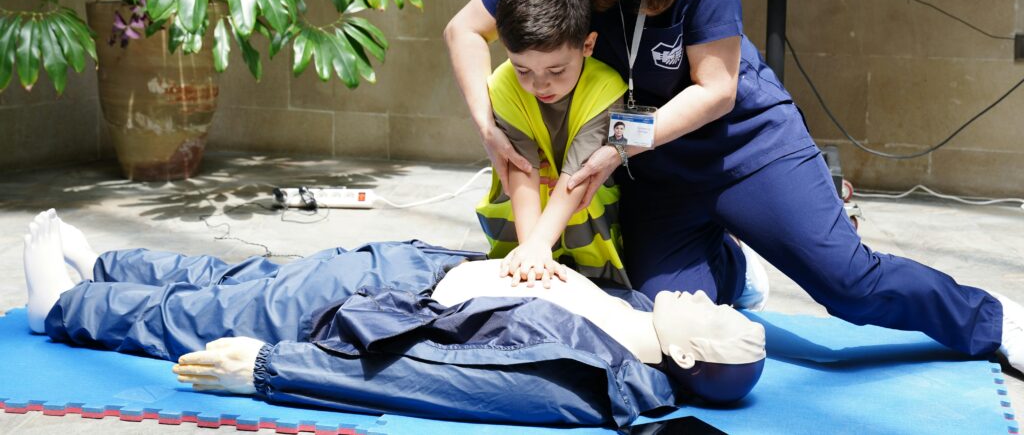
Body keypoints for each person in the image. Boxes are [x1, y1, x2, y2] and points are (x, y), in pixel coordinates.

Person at [444, 0, 1024, 370]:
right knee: (667, 321)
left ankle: (991, 319)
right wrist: (487, 125)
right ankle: (735, 266)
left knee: (848, 285)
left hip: (743, 145)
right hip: (654, 170)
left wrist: (616, 144)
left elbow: (716, 91)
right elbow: (464, 30)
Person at [22, 209, 765, 427]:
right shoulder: (640, 317)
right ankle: (109, 267)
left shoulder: (584, 381)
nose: (707, 301)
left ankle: (60, 307)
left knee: (214, 312)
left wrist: (272, 371)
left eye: (720, 320)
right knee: (247, 279)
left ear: (692, 360)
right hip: (412, 267)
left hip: (378, 314)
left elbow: (433, 381)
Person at [478, 0, 631, 287]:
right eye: (523, 69)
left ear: (588, 45)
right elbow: (521, 166)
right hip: (530, 207)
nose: (539, 84)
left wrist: (537, 245)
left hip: (583, 204)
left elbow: (579, 174)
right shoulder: (503, 84)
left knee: (600, 285)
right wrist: (530, 251)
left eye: (556, 70)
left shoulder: (607, 88)